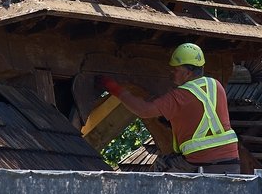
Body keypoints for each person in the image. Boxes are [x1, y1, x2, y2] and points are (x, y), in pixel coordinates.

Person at [96, 43, 240, 174]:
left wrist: (114, 88)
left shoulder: (181, 96)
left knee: (158, 171)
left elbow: (143, 110)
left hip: (199, 161)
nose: (172, 72)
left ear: (188, 73)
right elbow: (197, 113)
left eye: (176, 69)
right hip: (231, 162)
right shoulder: (215, 85)